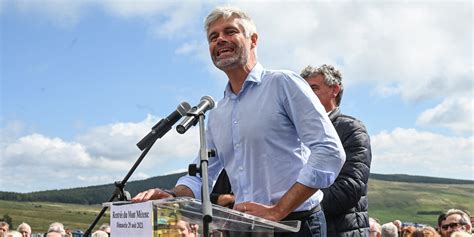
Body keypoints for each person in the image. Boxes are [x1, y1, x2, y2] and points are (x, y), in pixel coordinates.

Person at [132, 5, 346, 237]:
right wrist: (172, 195)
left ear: (253, 40)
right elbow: (202, 175)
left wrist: (278, 210)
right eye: (213, 37)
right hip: (244, 226)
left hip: (295, 225)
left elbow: (329, 151)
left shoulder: (283, 84)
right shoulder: (218, 113)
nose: (220, 40)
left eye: (230, 32)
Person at [300, 64, 372, 236]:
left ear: (335, 89)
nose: (305, 95)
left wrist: (290, 202)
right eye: (303, 89)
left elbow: (348, 189)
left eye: (313, 88)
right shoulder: (295, 131)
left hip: (342, 231)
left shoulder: (351, 129)